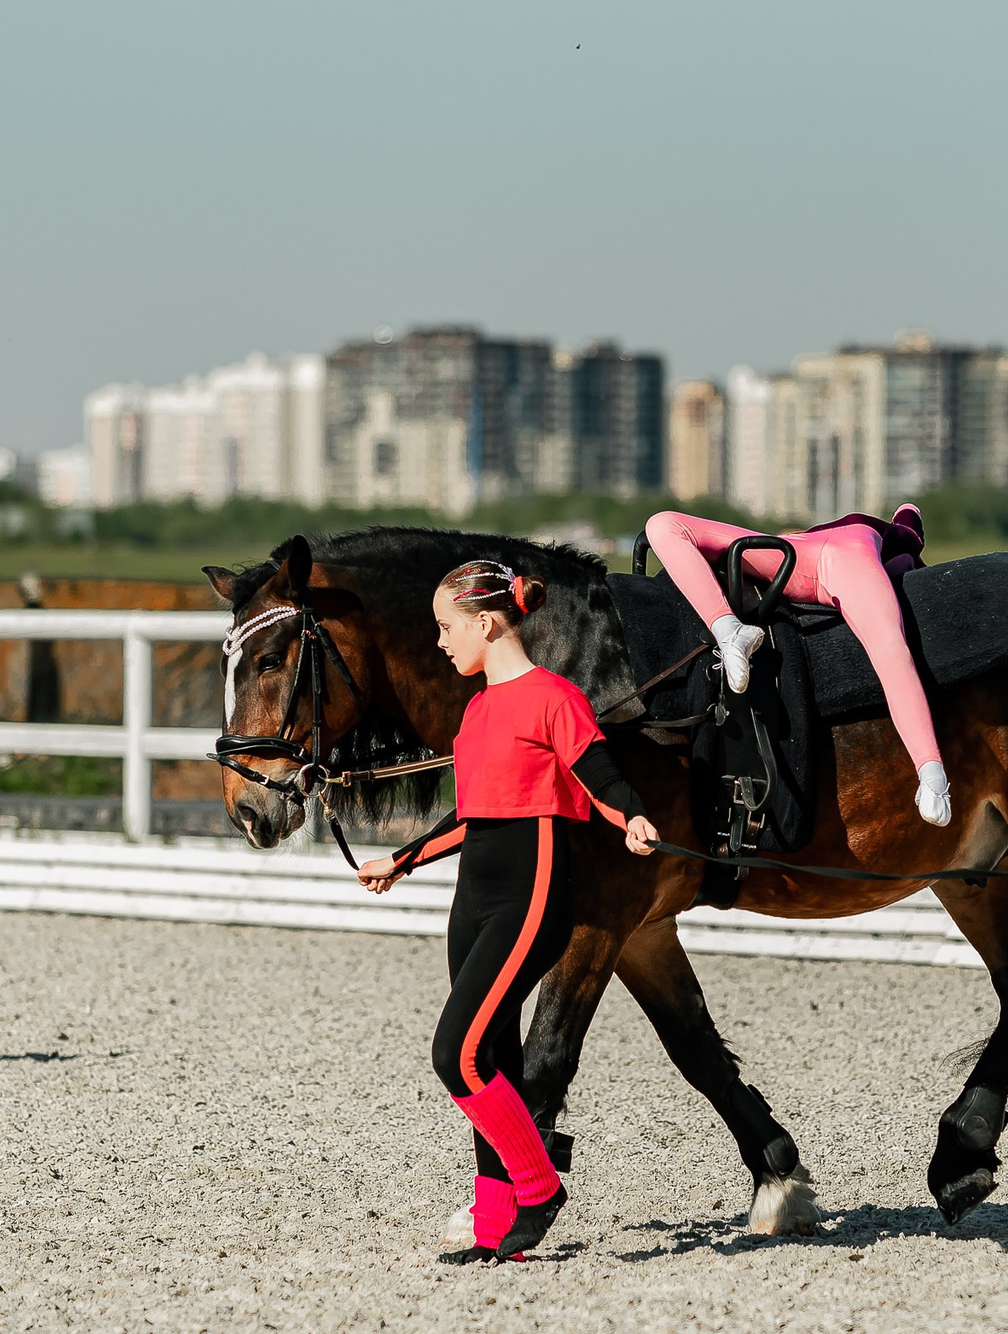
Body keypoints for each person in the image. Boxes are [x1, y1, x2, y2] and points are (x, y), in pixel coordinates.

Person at [357, 560, 659, 1262]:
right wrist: (401, 861)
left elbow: (600, 773)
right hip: (475, 897)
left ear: (487, 622)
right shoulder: (478, 709)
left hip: (532, 893)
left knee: (455, 1053)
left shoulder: (554, 697)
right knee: (491, 1055)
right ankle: (498, 1227)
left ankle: (539, 1184)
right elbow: (472, 813)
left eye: (446, 627)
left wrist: (632, 816)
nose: (440, 642)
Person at [642, 504, 952, 826]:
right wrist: (908, 512)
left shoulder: (840, 528)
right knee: (890, 650)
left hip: (793, 555)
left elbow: (907, 519)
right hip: (843, 558)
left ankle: (727, 629)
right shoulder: (891, 539)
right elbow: (909, 521)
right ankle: (932, 776)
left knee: (663, 523)